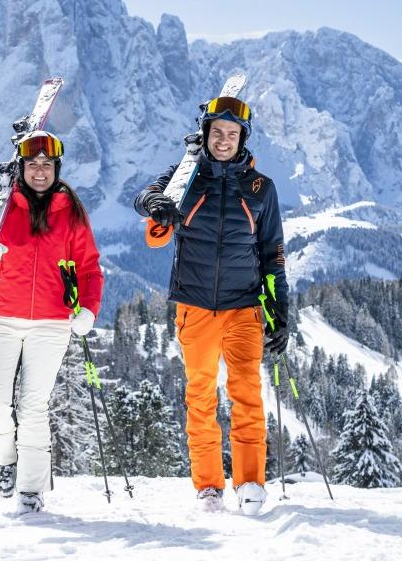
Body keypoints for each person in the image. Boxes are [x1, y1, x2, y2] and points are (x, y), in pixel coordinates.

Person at [133, 96, 289, 515]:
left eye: (232, 134)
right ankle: (208, 486)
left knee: (246, 394)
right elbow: (145, 194)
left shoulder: (261, 189)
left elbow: (272, 252)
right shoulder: (187, 178)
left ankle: (251, 482)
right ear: (205, 135)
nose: (224, 140)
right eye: (216, 133)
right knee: (200, 397)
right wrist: (156, 205)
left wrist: (279, 311)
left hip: (243, 308)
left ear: (243, 139)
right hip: (195, 305)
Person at [0, 131, 103, 514]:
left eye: (47, 165)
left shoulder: (71, 212)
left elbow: (89, 268)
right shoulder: (0, 206)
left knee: (33, 406)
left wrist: (88, 309)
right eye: (33, 164)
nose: (40, 171)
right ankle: (4, 461)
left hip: (52, 323)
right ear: (21, 167)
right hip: (1, 317)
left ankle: (31, 490)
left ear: (57, 169)